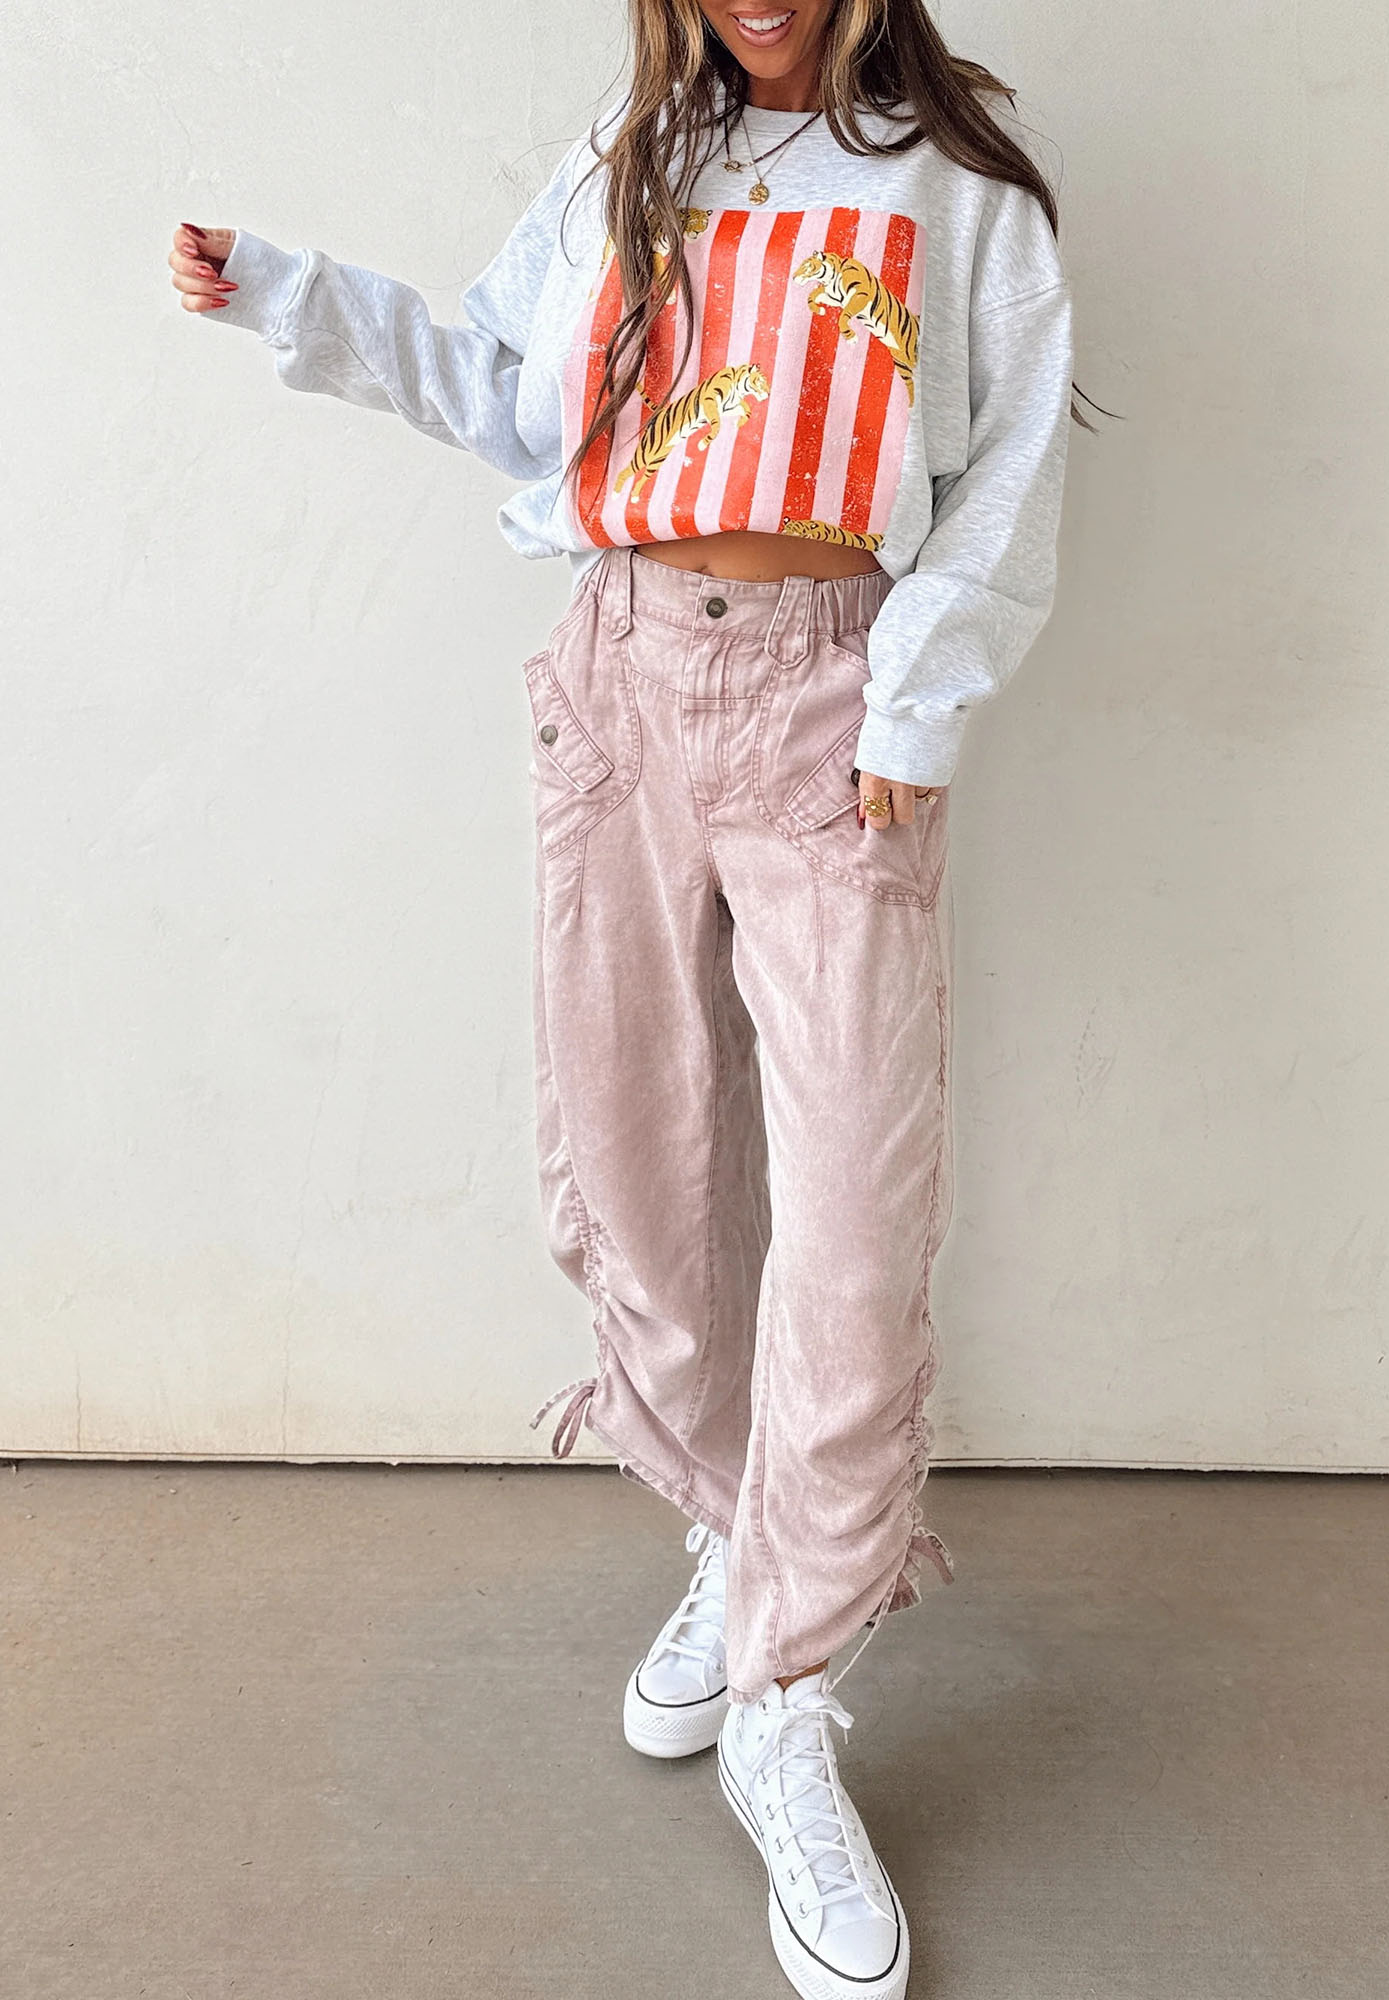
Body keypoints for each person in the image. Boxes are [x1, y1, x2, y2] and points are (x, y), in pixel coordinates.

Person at [169, 4, 1080, 1993]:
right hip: (625, 682)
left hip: (839, 710)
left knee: (854, 1224)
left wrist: (918, 701)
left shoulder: (956, 191)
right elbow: (510, 388)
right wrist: (287, 295)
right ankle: (733, 1546)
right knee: (643, 1173)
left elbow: (1009, 467)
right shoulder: (631, 158)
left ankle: (790, 1689)